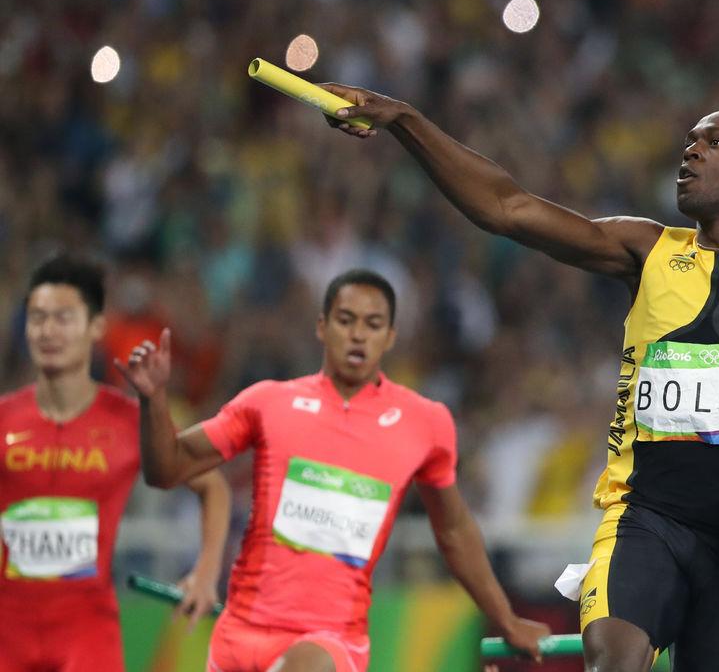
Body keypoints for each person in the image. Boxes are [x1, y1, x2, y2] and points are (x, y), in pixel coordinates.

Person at [317, 91, 719, 672]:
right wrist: (406, 121)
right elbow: (506, 207)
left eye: (713, 143)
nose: (691, 152)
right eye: (689, 142)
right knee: (616, 659)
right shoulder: (647, 249)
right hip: (641, 518)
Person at [115, 268, 550, 672]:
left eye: (373, 324)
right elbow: (166, 470)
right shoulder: (269, 403)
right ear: (322, 327)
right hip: (238, 638)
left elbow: (454, 530)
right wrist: (153, 402)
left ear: (390, 337)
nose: (358, 334)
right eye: (346, 320)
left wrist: (506, 619)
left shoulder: (425, 423)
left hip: (329, 643)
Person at [0, 253, 230, 672]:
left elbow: (212, 485)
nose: (48, 331)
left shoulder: (128, 420)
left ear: (96, 327)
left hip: (87, 638)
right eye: (37, 318)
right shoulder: (4, 419)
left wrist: (205, 572)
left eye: (63, 318)